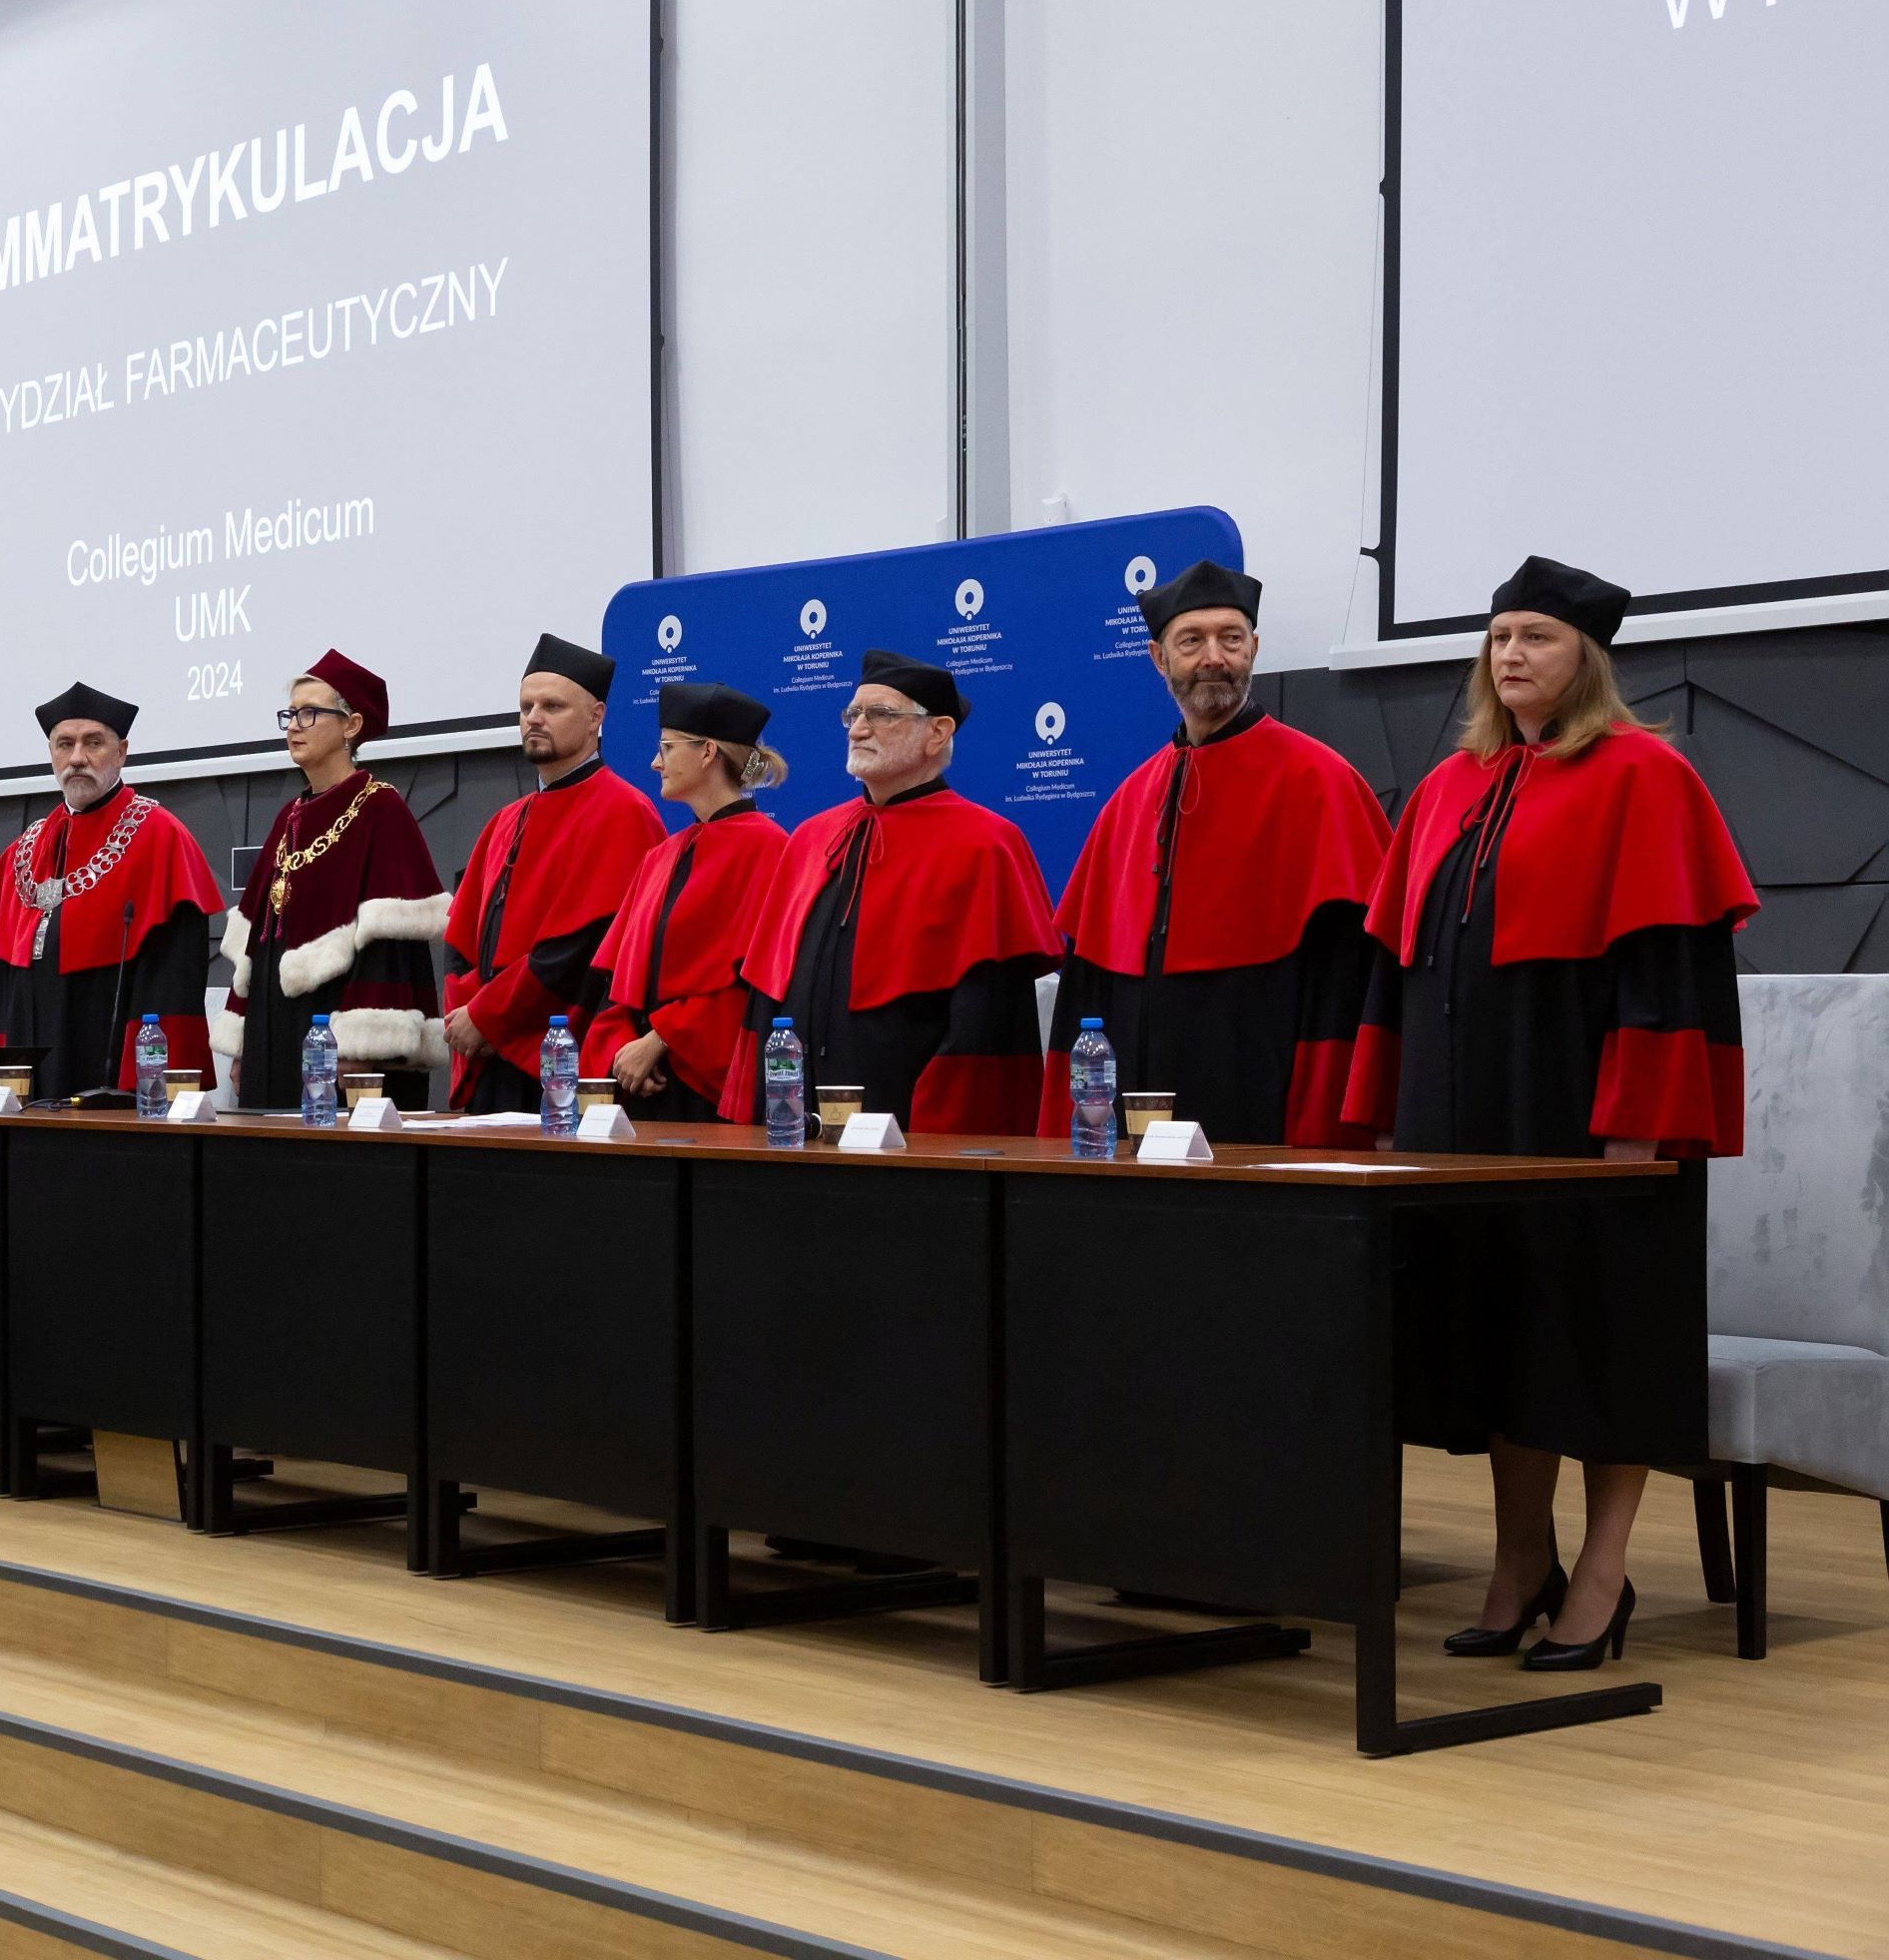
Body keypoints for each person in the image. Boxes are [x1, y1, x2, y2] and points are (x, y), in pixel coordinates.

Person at [1346, 557, 1753, 1672]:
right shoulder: (1448, 787)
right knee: (1498, 1333)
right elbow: (1394, 967)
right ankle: (1521, 1560)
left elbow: (1669, 970)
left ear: (1588, 657)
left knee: (1605, 1337)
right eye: (1500, 637)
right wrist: (1384, 1113)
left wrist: (1638, 1133)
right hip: (1467, 1113)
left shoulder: (1645, 776)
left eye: (1537, 636)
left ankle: (1605, 1573)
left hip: (1587, 1114)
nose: (1512, 654)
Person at [1043, 560, 1391, 1145]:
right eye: (1191, 641)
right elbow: (1090, 985)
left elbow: (1348, 983)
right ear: (1159, 659)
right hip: (1138, 1096)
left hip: (1261, 1086)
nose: (1214, 657)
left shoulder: (1320, 782)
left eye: (1231, 639)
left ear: (1253, 648)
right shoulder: (1129, 800)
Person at [725, 651, 1057, 1130]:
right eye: (853, 714)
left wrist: (940, 1140)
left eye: (880, 714)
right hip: (796, 1117)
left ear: (937, 732)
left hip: (908, 1121)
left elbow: (987, 1021)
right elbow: (767, 993)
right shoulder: (812, 838)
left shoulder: (986, 843)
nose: (858, 729)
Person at [218, 651, 449, 1111]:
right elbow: (254, 943)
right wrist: (244, 1041)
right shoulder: (289, 816)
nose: (293, 726)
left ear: (351, 725)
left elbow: (390, 944)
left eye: (309, 713)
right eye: (289, 714)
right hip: (274, 1028)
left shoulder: (380, 809)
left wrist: (361, 1046)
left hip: (335, 1036)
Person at [0, 684, 224, 1098]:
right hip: (27, 1066)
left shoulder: (161, 838)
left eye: (93, 743)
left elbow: (173, 981)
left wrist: (150, 1084)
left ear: (121, 752)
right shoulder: (23, 850)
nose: (77, 758)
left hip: (108, 1063)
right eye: (64, 744)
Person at [441, 634, 665, 1110]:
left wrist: (488, 1018)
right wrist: (467, 1015)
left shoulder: (622, 811)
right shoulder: (506, 820)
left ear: (596, 716)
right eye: (526, 707)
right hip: (489, 1050)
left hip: (559, 1058)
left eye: (552, 706)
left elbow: (581, 949)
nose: (533, 718)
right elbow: (461, 941)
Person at [585, 682, 790, 1122]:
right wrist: (623, 1049)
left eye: (667, 747)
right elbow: (618, 981)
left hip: (705, 1088)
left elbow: (753, 987)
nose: (655, 762)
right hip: (640, 1080)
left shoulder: (768, 849)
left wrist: (659, 1040)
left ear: (707, 752)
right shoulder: (661, 856)